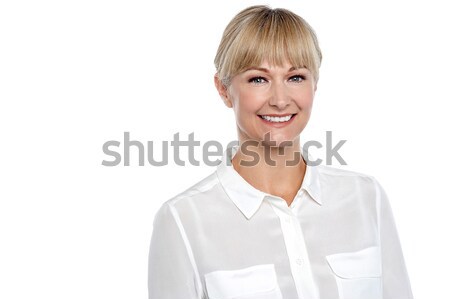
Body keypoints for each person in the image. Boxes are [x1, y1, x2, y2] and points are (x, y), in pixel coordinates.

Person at [147, 5, 413, 299]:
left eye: (296, 77)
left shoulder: (367, 198)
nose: (280, 100)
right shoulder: (183, 219)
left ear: (315, 84)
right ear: (223, 90)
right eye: (258, 79)